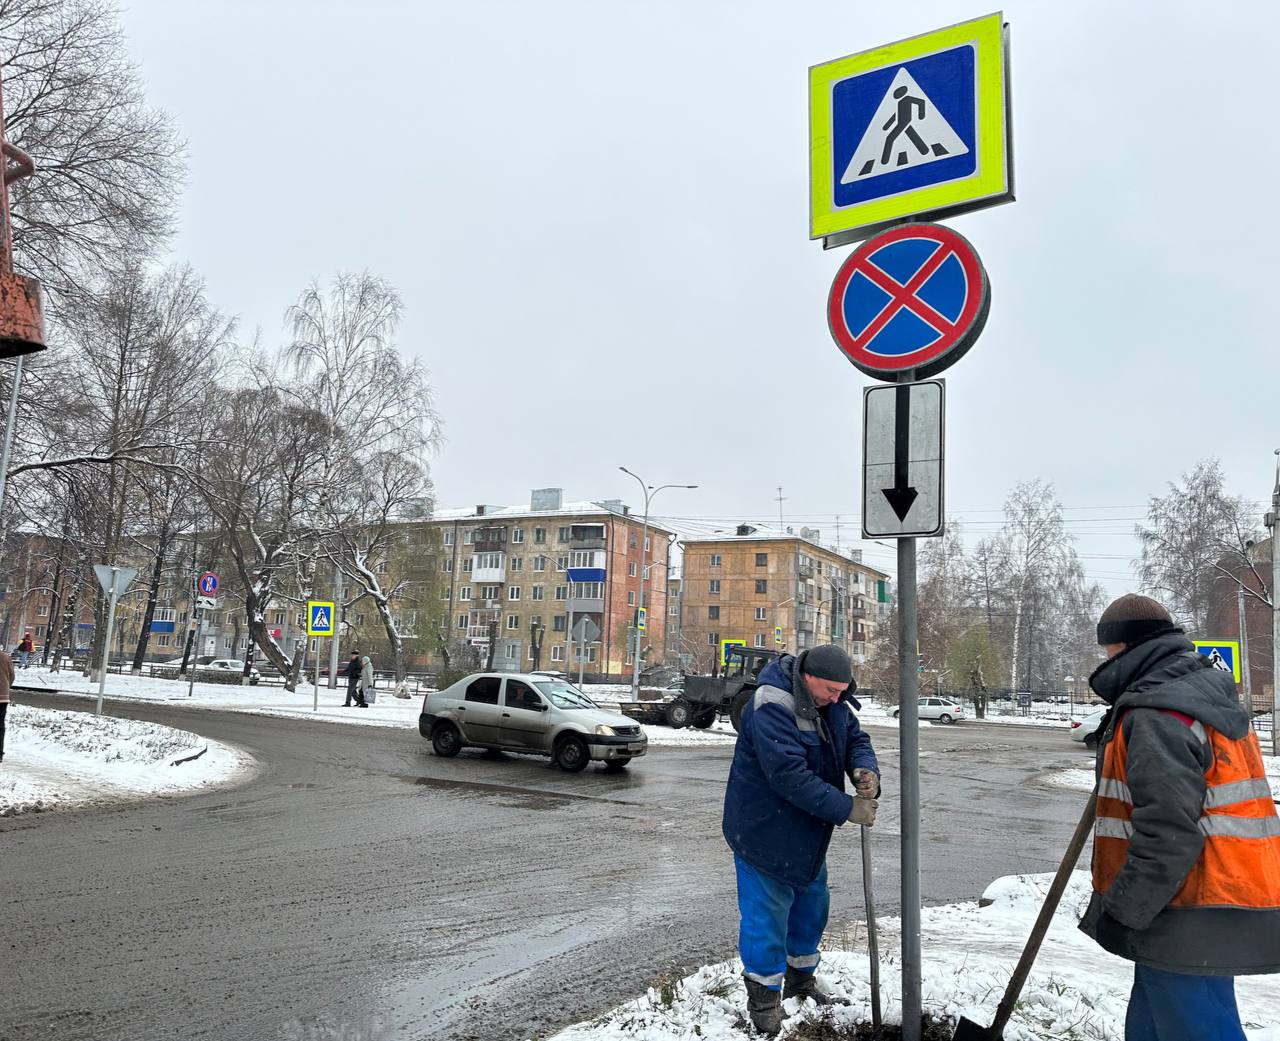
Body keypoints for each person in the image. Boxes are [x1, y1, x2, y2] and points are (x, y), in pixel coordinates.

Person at [1080, 594, 1280, 1041]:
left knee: (1195, 1025)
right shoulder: (1199, 696)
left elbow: (1168, 831)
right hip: (1211, 894)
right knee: (1156, 1020)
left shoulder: (1159, 712)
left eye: (1106, 648)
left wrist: (1126, 909)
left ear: (1122, 647)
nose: (1104, 657)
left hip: (1185, 902)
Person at [722, 645, 880, 1036]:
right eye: (830, 690)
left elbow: (855, 738)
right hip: (765, 831)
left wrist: (864, 768)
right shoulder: (771, 704)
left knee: (811, 909)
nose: (837, 698)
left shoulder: (834, 701)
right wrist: (847, 808)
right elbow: (788, 775)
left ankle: (801, 983)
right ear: (807, 677)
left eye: (842, 691)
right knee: (767, 917)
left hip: (807, 832)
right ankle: (763, 1004)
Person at [0, 644, 12, 762]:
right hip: (3, 697)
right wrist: (6, 687)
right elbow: (12, 675)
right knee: (0, 726)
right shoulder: (5, 657)